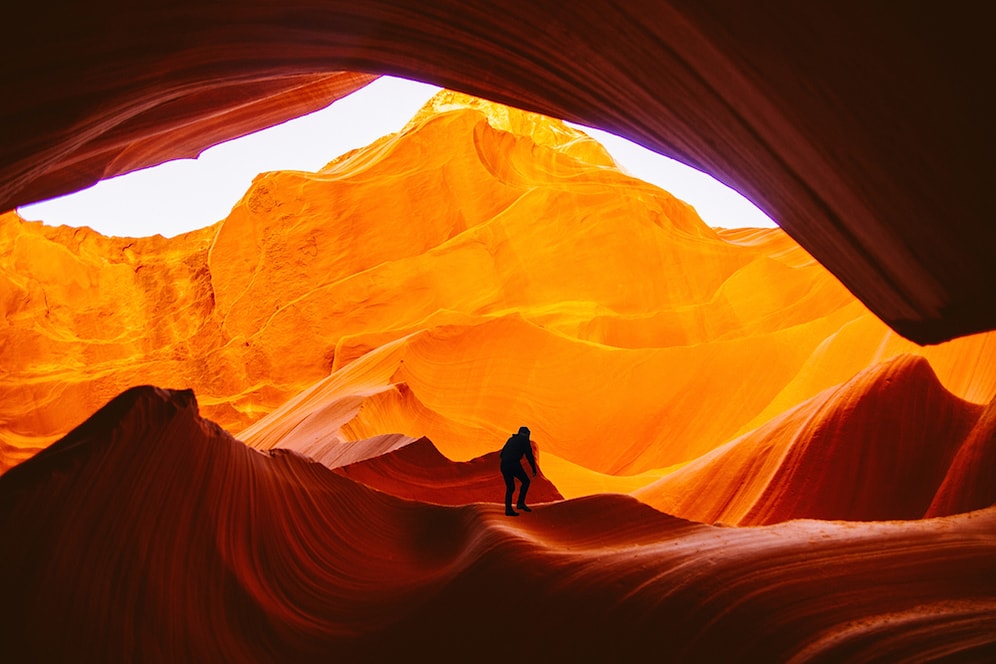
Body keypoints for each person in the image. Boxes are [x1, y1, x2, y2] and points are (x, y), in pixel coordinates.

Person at [500, 426, 538, 516]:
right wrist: (533, 468)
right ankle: (520, 503)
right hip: (513, 464)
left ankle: (508, 509)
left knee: (510, 487)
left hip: (504, 465)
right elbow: (529, 455)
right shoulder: (524, 441)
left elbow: (502, 454)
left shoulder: (511, 439)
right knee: (526, 481)